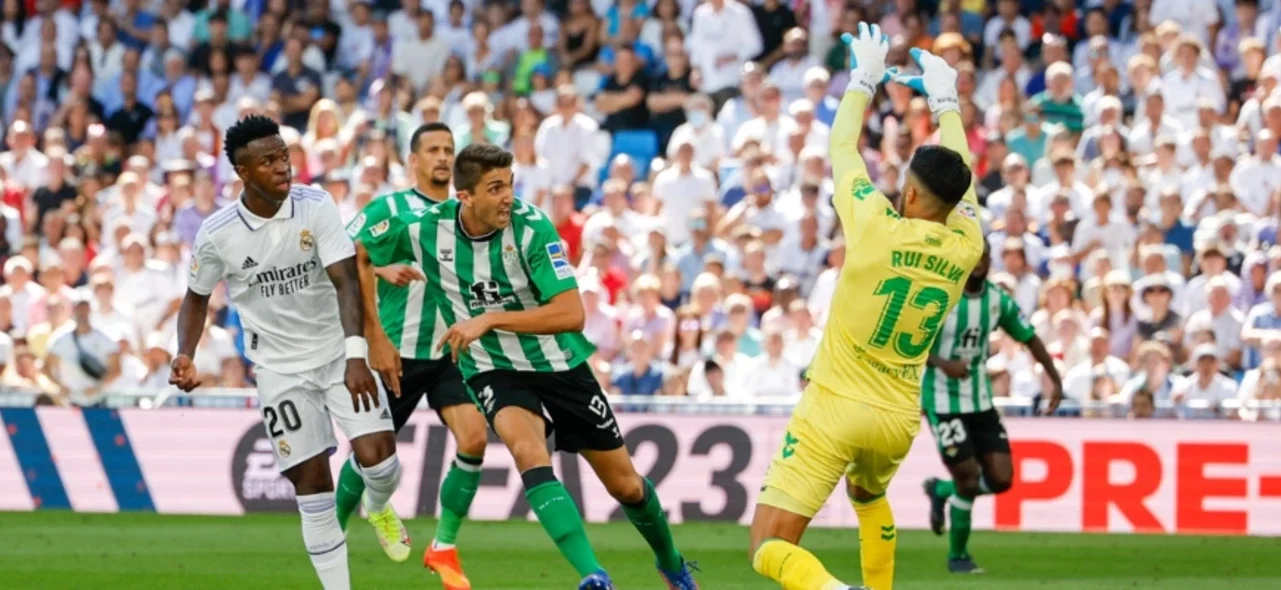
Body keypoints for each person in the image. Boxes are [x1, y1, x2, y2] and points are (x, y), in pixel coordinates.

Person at [355, 143, 698, 590]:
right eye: (495, 187)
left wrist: (491, 318)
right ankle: (594, 575)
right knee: (527, 452)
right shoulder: (423, 229)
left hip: (558, 362)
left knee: (627, 486)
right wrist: (374, 332)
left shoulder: (533, 228)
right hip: (492, 367)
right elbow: (355, 253)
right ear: (465, 196)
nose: (508, 197)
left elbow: (572, 313)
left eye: (511, 184)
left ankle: (671, 564)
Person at [749, 30, 985, 590]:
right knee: (868, 494)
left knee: (768, 547)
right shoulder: (966, 244)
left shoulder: (875, 226)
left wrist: (863, 79)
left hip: (834, 405)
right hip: (898, 417)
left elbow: (842, 149)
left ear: (907, 195)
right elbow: (965, 174)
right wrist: (946, 101)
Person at [169, 115, 405, 590]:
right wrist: (186, 352)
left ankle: (377, 504)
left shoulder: (315, 205)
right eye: (269, 160)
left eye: (285, 156)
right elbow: (195, 297)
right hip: (278, 371)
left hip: (338, 354)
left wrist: (356, 354)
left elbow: (345, 281)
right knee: (312, 485)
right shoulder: (218, 234)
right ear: (243, 171)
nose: (284, 167)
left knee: (381, 462)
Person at [338, 122, 487, 588]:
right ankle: (333, 533)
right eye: (433, 150)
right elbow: (344, 258)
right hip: (395, 352)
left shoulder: (469, 209)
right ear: (414, 161)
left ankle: (443, 546)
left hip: (450, 353)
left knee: (475, 440)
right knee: (370, 457)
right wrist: (379, 272)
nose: (443, 157)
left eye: (449, 149)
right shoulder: (392, 208)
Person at [920, 242, 1063, 574]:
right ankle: (958, 557)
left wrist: (1055, 378)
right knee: (968, 479)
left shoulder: (997, 301)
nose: (980, 262)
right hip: (942, 401)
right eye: (973, 256)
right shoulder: (941, 297)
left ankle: (941, 490)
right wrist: (942, 363)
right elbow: (909, 342)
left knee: (1002, 478)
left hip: (980, 400)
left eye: (984, 256)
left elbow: (1029, 337)